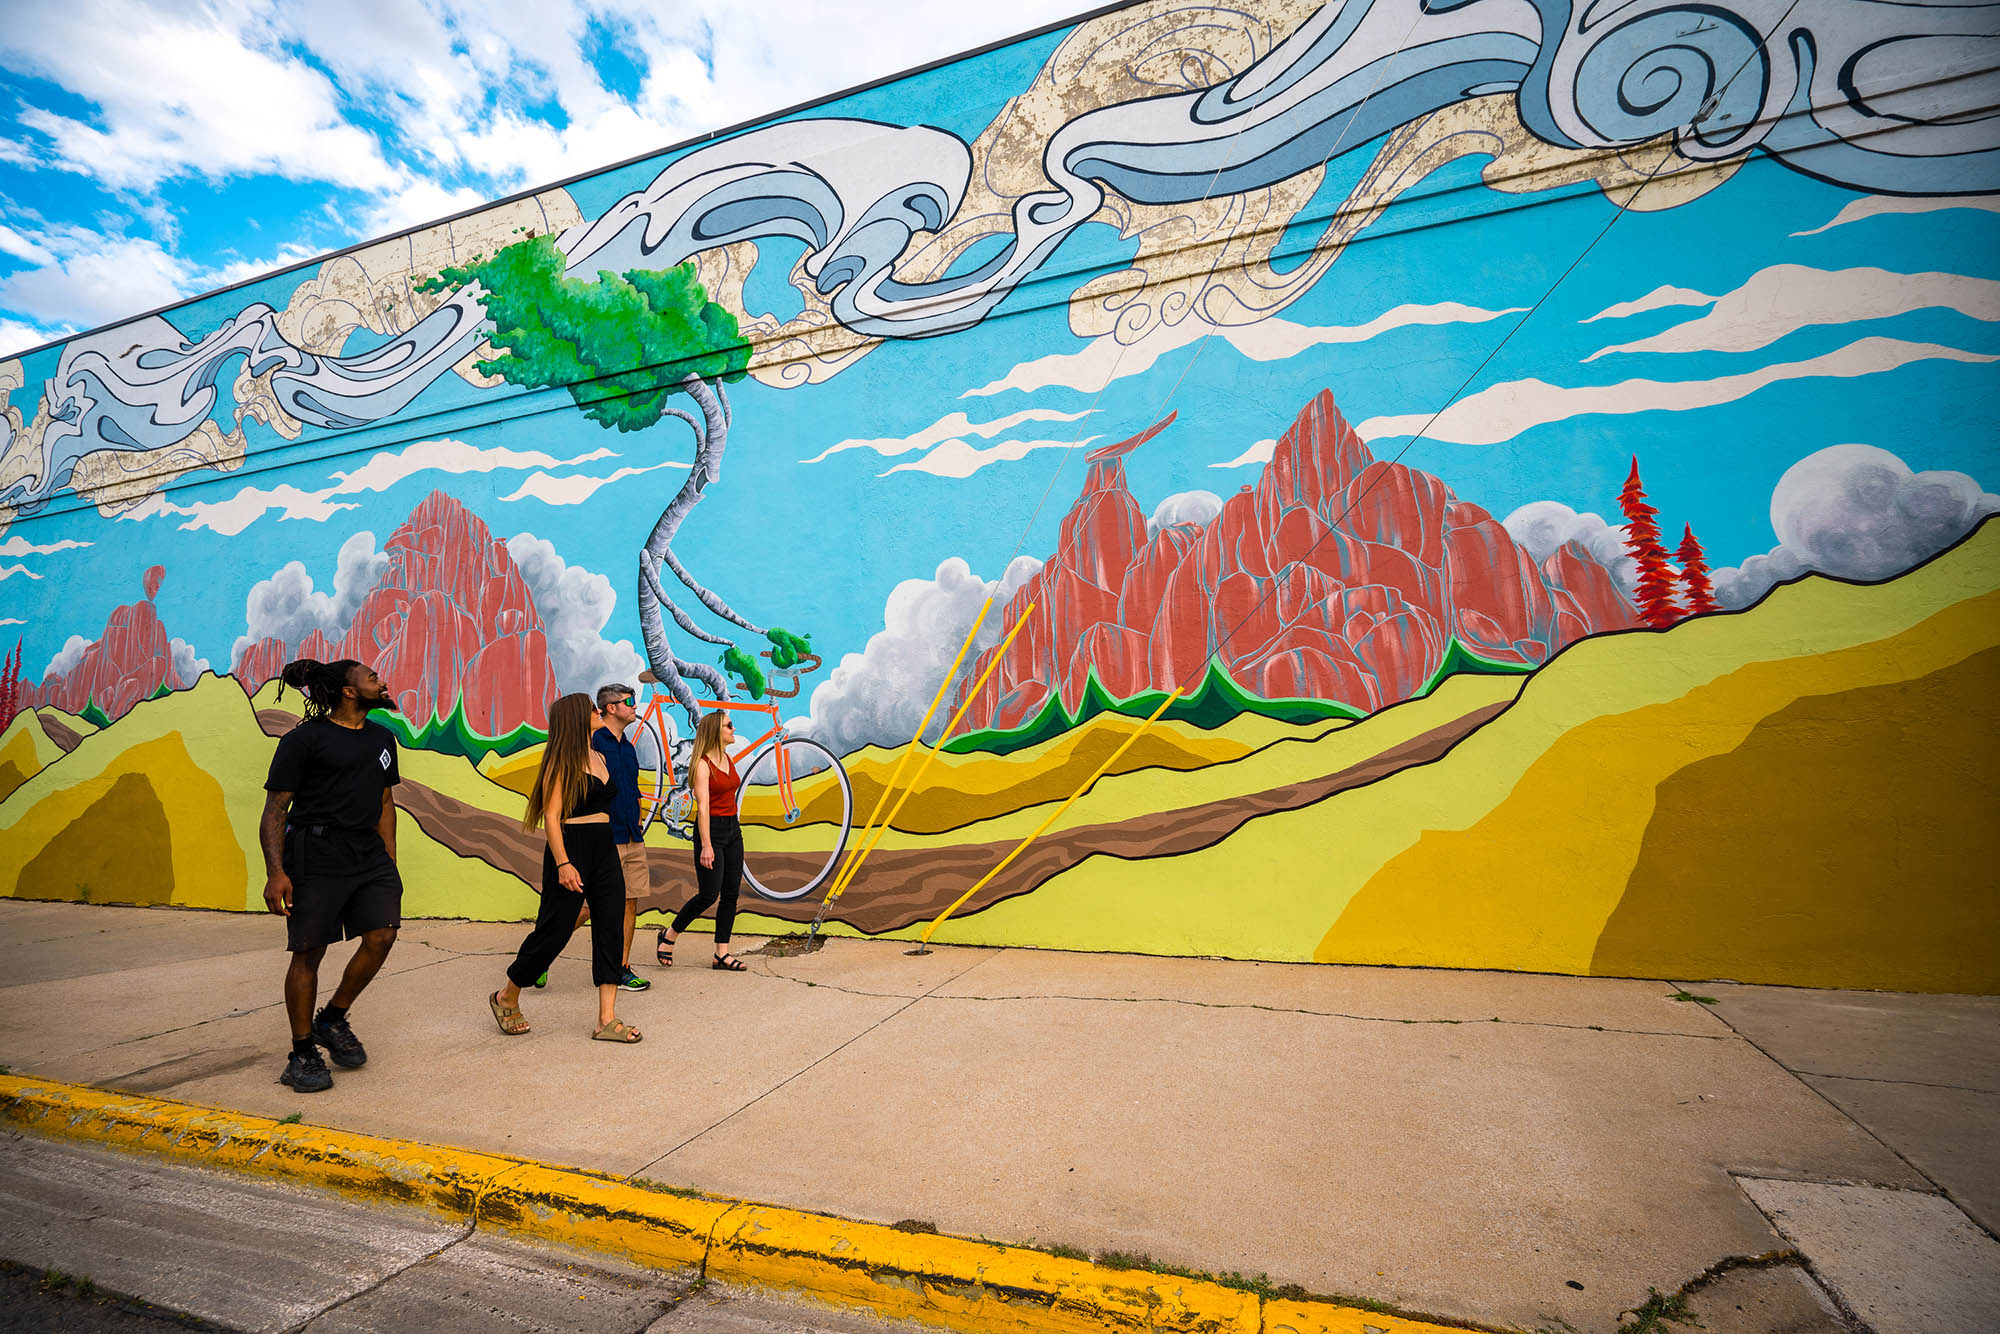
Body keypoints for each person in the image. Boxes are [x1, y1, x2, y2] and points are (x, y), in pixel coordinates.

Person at [260, 658, 404, 1094]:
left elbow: (384, 804)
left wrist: (390, 863)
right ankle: (301, 1052)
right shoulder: (305, 740)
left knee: (382, 935)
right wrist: (276, 873)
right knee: (309, 952)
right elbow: (275, 810)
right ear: (348, 690)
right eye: (372, 678)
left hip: (368, 854)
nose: (381, 682)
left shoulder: (383, 738)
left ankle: (333, 1017)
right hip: (315, 852)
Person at [489, 693, 641, 1042]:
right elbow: (552, 816)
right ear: (576, 717)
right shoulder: (562, 761)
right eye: (592, 708)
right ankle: (508, 994)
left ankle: (606, 1019)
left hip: (605, 847)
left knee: (610, 928)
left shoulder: (600, 755)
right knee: (554, 931)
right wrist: (563, 863)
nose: (598, 712)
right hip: (571, 848)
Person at [657, 709, 749, 971]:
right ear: (715, 732)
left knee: (731, 893)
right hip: (712, 831)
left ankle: (721, 954)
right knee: (709, 894)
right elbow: (704, 808)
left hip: (732, 828)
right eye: (728, 725)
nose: (733, 728)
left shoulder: (728, 759)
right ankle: (669, 935)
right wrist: (707, 845)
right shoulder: (702, 765)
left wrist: (732, 827)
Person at [590, 683, 651, 990]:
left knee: (630, 902)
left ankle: (622, 967)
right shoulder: (592, 744)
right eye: (629, 701)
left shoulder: (628, 747)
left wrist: (637, 821)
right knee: (590, 906)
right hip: (604, 838)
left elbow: (634, 790)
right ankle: (542, 957)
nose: (634, 706)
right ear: (610, 708)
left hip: (631, 836)